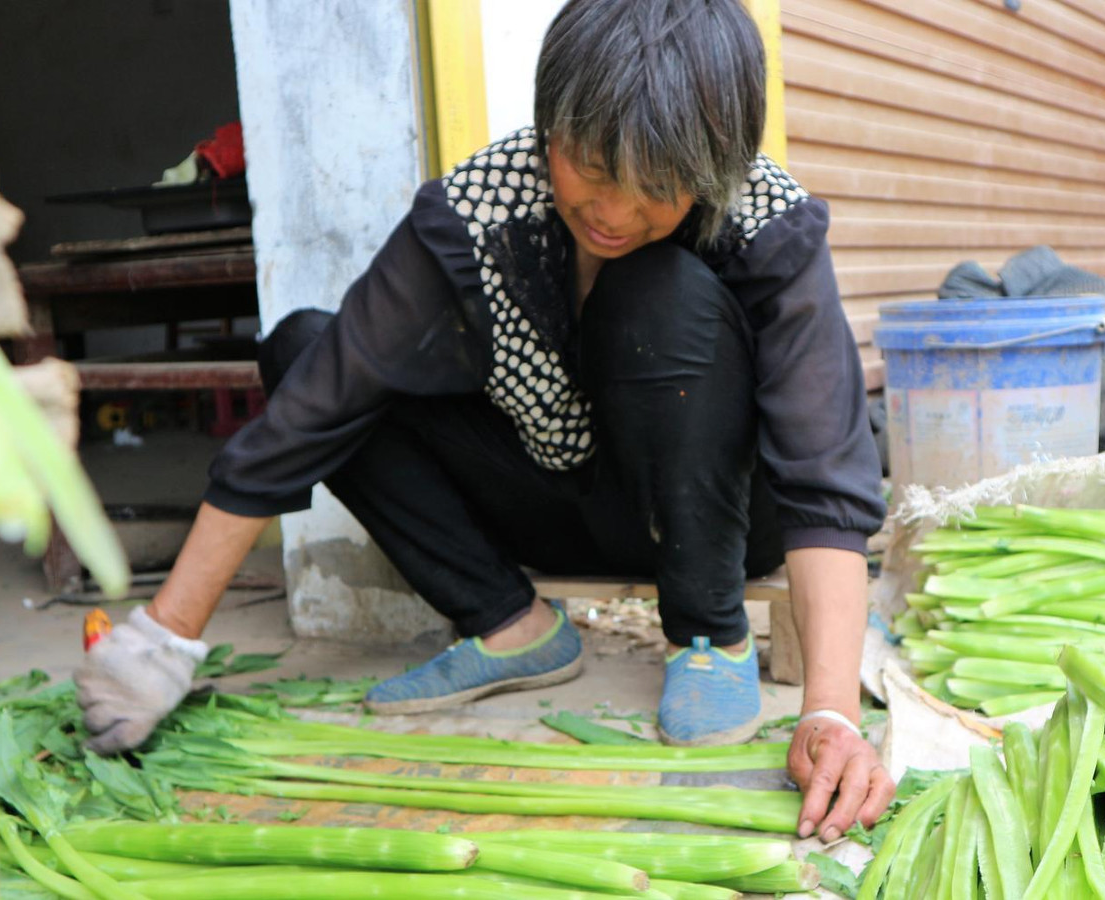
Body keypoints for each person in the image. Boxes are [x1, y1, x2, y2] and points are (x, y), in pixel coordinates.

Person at [74, 0, 894, 842]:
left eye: (656, 188)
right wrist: (163, 638)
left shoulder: (766, 218)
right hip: (560, 501)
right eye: (591, 168)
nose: (613, 212)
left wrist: (831, 713)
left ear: (713, 168)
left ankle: (710, 638)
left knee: (658, 289)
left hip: (718, 521)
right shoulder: (479, 207)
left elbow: (822, 470)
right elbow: (314, 409)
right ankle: (510, 623)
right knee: (304, 351)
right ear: (550, 127)